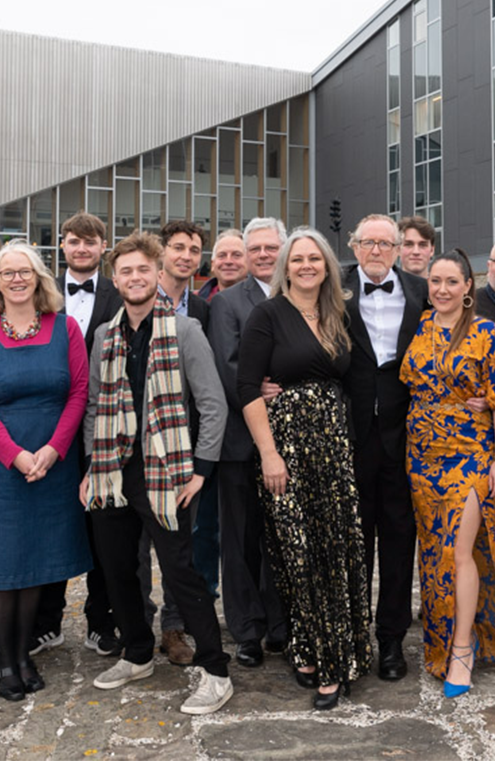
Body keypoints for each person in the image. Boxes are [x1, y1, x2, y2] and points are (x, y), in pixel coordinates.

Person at [81, 231, 234, 715]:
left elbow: (212, 404)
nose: (134, 277)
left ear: (157, 274)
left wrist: (200, 471)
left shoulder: (185, 330)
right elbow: (92, 406)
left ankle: (215, 671)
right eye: (125, 271)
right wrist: (90, 466)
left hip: (167, 473)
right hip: (111, 469)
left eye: (142, 269)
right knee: (118, 568)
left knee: (181, 572)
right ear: (115, 278)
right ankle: (137, 652)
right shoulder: (106, 335)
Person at [237, 226, 371, 709]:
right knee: (299, 556)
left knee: (338, 552)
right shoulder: (267, 315)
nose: (307, 266)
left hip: (334, 449)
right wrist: (270, 454)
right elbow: (248, 387)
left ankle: (340, 657)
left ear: (328, 266)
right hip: (286, 451)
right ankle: (311, 648)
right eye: (298, 260)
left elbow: (357, 380)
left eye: (315, 259)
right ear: (285, 267)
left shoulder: (340, 313)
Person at [0, 241, 92, 702]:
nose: (16, 279)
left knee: (36, 560)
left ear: (39, 278)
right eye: (7, 273)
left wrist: (54, 449)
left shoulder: (66, 329)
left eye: (25, 272)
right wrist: (15, 455)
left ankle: (26, 652)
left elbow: (78, 392)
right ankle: (4, 659)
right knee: (1, 562)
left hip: (53, 461)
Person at [401, 249, 495, 698]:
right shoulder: (420, 328)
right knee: (434, 555)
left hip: (471, 456)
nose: (442, 290)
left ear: (468, 286)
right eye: (435, 281)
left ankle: (461, 650)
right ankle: (440, 640)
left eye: (452, 281)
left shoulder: (487, 333)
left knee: (460, 551)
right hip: (422, 457)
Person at [342, 214, 428, 681]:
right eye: (367, 242)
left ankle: (391, 641)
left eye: (385, 243)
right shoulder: (332, 286)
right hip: (349, 433)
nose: (376, 251)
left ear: (399, 249)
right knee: (354, 542)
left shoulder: (422, 291)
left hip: (406, 434)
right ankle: (354, 636)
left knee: (399, 541)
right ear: (354, 247)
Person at [207, 217, 289, 669]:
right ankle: (246, 631)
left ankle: (281, 624)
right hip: (239, 440)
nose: (261, 254)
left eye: (269, 247)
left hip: (292, 438)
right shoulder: (228, 303)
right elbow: (229, 363)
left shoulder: (297, 293)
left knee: (280, 535)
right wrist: (259, 387)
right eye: (253, 247)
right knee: (238, 540)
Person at [46, 212, 124, 659]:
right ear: (62, 245)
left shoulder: (117, 293)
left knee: (103, 529)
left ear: (102, 246)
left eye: (90, 242)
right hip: (49, 423)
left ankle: (101, 621)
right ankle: (47, 620)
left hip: (103, 422)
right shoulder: (42, 290)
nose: (81, 249)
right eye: (73, 241)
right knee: (53, 522)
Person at [154, 219, 213, 665]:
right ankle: (136, 622)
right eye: (179, 247)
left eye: (194, 250)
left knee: (181, 541)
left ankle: (174, 627)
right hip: (136, 438)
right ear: (162, 252)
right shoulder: (127, 299)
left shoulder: (206, 310)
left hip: (185, 441)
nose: (187, 256)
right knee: (137, 545)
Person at [199, 229, 246, 300]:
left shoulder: (264, 301)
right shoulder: (194, 304)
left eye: (236, 255)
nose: (228, 261)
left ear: (248, 262)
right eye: (222, 255)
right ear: (213, 264)